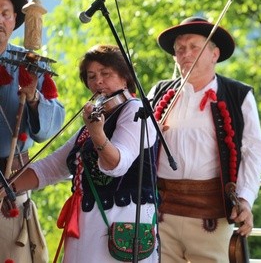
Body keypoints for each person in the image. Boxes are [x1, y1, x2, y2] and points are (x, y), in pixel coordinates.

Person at [2, 45, 159, 262]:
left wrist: (97, 134)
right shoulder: (96, 119)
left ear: (125, 77)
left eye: (106, 74)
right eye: (91, 76)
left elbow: (117, 164)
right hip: (89, 224)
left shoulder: (135, 110)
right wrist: (8, 188)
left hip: (123, 223)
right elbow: (52, 166)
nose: (98, 82)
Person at [148, 17, 261, 262]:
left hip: (212, 215)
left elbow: (254, 151)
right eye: (180, 49)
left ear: (214, 54)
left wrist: (244, 198)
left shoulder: (237, 94)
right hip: (161, 214)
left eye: (194, 47)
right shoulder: (159, 93)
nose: (186, 54)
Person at [0, 0, 65, 263]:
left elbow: (54, 122)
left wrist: (35, 97)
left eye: (5, 14)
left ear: (15, 21)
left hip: (10, 183)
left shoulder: (29, 64)